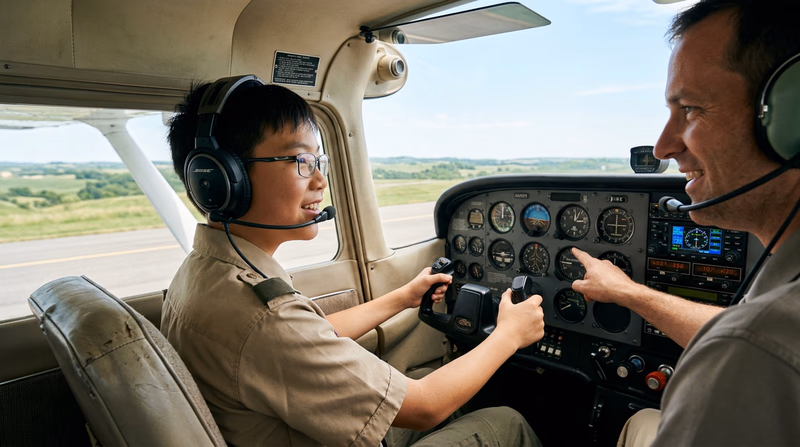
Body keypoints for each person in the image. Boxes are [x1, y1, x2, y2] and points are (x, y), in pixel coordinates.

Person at [161, 80, 545, 446]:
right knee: (505, 423)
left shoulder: (204, 271)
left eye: (318, 161)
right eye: (300, 160)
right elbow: (425, 406)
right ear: (224, 179)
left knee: (435, 378)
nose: (320, 181)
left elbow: (312, 333)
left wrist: (404, 297)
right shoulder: (263, 316)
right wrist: (510, 334)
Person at [569, 1, 800, 445]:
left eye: (690, 109)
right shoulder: (762, 330)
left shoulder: (754, 352)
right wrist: (629, 293)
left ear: (793, 117)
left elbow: (748, 337)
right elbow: (741, 325)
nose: (661, 148)